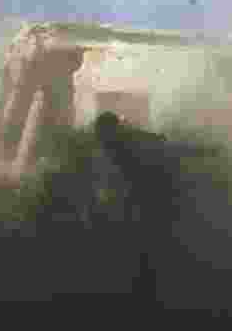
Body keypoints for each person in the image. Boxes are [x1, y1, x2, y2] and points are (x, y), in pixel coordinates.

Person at [93, 111, 221, 305]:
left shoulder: (128, 144)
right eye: (102, 133)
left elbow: (170, 149)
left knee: (149, 254)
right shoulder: (112, 147)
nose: (102, 136)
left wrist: (205, 150)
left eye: (105, 132)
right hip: (140, 207)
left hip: (151, 204)